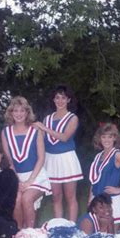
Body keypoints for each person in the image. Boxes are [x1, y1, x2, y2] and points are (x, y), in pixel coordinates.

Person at [34, 85, 82, 221]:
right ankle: (58, 226)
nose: (60, 101)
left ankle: (72, 228)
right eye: (57, 98)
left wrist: (44, 128)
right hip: (51, 159)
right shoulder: (47, 119)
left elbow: (65, 137)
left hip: (66, 158)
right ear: (53, 100)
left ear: (68, 100)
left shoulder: (73, 118)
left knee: (70, 197)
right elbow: (40, 139)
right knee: (56, 197)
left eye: (63, 98)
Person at [2, 96, 51, 229]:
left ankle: (30, 234)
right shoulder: (5, 132)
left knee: (26, 199)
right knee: (17, 199)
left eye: (22, 111)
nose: (19, 114)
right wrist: (18, 181)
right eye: (15, 111)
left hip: (36, 175)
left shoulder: (36, 130)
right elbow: (9, 161)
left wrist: (29, 181)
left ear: (27, 112)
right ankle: (19, 232)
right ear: (11, 113)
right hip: (16, 176)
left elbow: (41, 158)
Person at [88, 123, 120, 229]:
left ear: (115, 138)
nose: (106, 140)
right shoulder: (98, 156)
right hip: (97, 199)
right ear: (99, 138)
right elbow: (94, 180)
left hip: (112, 200)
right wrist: (90, 199)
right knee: (97, 233)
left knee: (110, 235)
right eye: (104, 137)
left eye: (110, 137)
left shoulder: (117, 155)